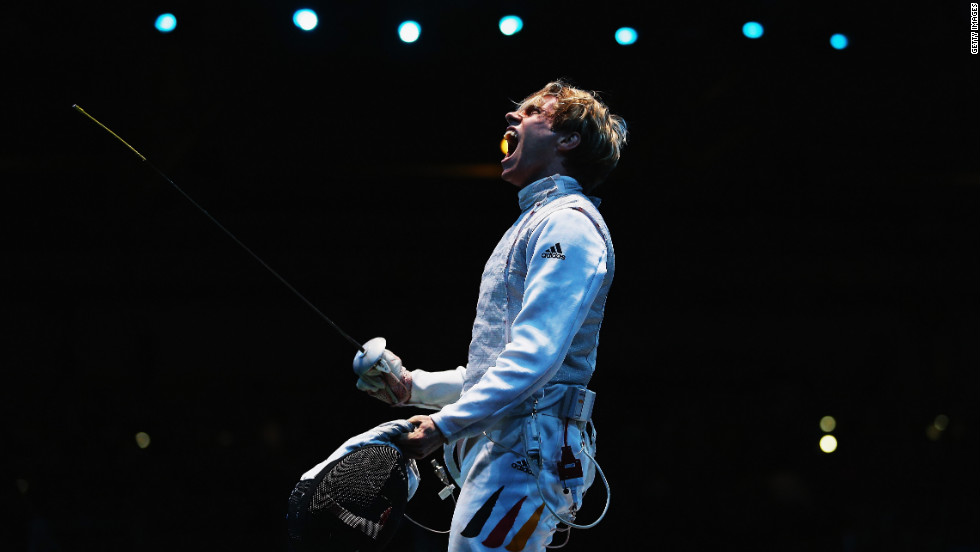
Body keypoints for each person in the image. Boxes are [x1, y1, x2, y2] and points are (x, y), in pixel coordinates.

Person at [354, 80, 627, 551]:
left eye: (533, 112)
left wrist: (444, 424)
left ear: (568, 140)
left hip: (527, 451)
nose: (511, 119)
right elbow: (494, 368)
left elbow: (535, 358)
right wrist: (414, 388)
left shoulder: (570, 223)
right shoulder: (534, 222)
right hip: (509, 446)